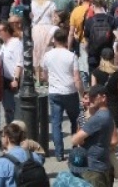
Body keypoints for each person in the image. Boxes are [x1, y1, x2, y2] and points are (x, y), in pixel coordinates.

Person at [40, 28, 82, 162]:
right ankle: (75, 148)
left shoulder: (47, 55)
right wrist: (82, 93)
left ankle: (59, 153)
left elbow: (43, 75)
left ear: (54, 40)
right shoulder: (71, 56)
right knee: (75, 120)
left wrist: (51, 81)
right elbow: (77, 78)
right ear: (65, 40)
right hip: (70, 91)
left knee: (56, 123)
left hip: (54, 92)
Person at [70, 85, 117, 187]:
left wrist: (80, 139)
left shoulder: (99, 118)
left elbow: (75, 139)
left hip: (93, 168)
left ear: (103, 98)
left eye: (94, 96)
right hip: (103, 164)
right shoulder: (108, 114)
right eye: (89, 96)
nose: (91, 99)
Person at [0, 123, 44, 187]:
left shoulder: (1, 163)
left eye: (2, 135)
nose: (1, 138)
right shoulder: (35, 156)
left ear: (7, 138)